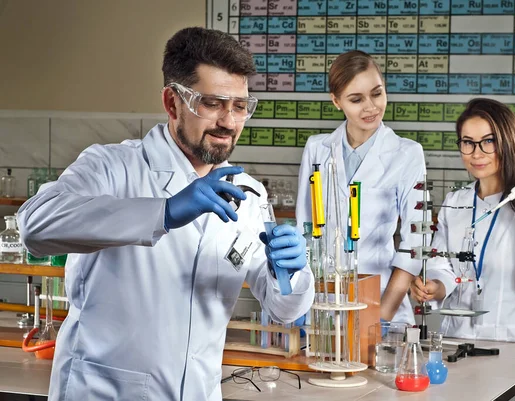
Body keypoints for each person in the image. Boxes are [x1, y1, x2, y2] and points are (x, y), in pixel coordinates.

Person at [18, 27, 314, 401]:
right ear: (172, 103)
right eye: (212, 103)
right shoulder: (113, 167)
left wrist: (290, 272)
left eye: (239, 106)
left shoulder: (250, 195)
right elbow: (34, 226)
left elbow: (283, 309)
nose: (229, 121)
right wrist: (165, 211)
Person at [410, 97, 515, 343]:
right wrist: (434, 287)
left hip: (510, 345)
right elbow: (443, 266)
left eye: (488, 141)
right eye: (468, 143)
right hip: (455, 341)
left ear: (507, 143)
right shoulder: (454, 202)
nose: (476, 153)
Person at [295, 50, 428, 326]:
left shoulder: (407, 153)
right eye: (356, 99)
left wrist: (381, 317)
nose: (370, 107)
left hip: (380, 302)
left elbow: (416, 243)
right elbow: (304, 231)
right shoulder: (317, 149)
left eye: (377, 94)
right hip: (323, 302)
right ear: (336, 101)